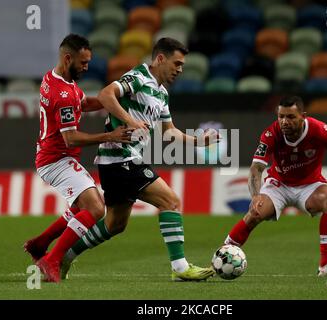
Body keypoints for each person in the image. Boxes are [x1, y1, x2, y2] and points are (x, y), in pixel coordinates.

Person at [58, 37, 220, 282]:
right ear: (160, 58)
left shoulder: (162, 93)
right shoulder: (138, 77)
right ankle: (180, 267)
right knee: (171, 201)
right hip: (120, 158)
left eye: (182, 65)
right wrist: (131, 120)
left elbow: (169, 131)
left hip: (119, 162)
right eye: (176, 63)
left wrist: (199, 141)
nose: (180, 70)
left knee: (114, 224)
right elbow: (105, 94)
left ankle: (65, 256)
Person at [23, 34, 133, 282]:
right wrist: (110, 135)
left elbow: (83, 103)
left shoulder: (55, 79)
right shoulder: (63, 94)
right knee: (95, 208)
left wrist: (113, 101)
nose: (86, 67)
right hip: (57, 159)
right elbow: (70, 139)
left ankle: (39, 244)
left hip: (51, 157)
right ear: (68, 58)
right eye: (83, 63)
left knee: (79, 209)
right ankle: (52, 260)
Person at [224, 96, 327, 277]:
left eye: (291, 117)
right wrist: (255, 196)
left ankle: (326, 265)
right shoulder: (271, 134)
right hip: (278, 185)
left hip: (310, 185)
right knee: (255, 212)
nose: (284, 121)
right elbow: (256, 169)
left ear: (303, 116)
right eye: (281, 116)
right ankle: (223, 254)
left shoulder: (320, 130)